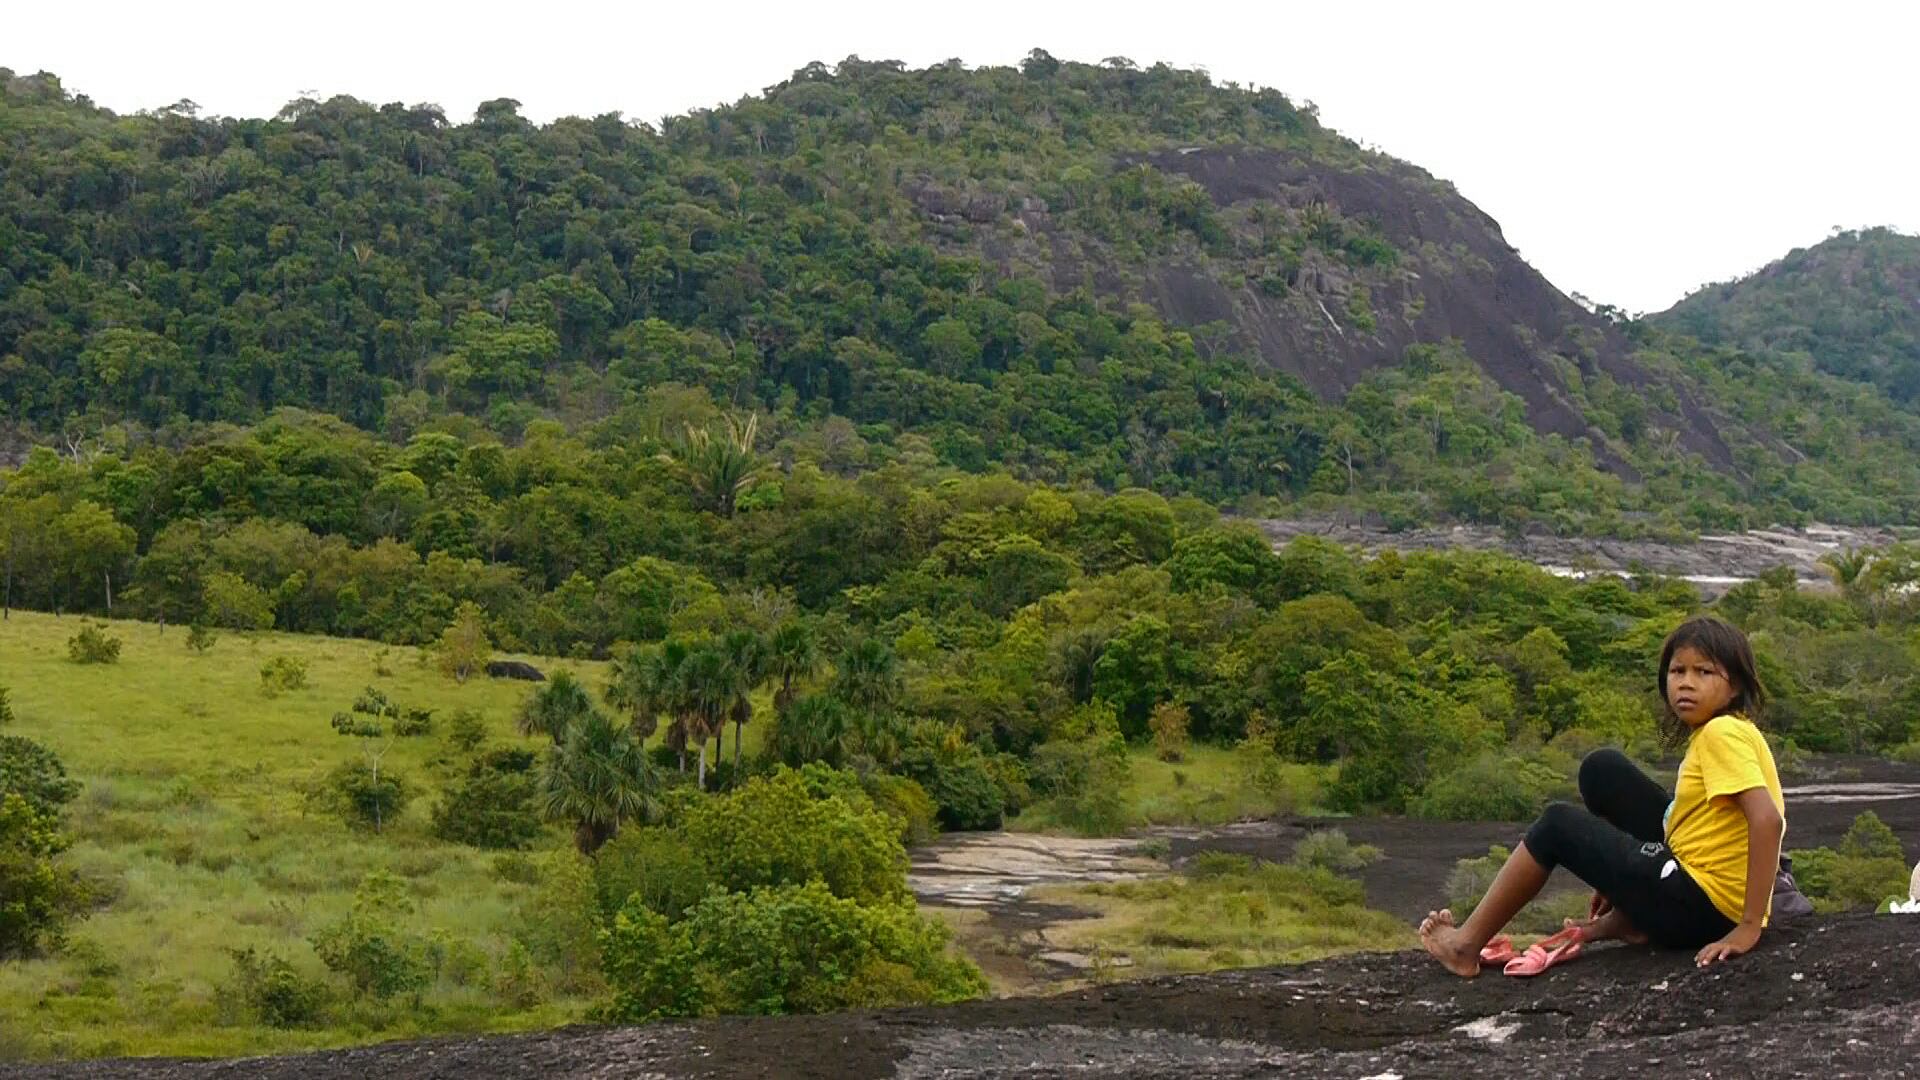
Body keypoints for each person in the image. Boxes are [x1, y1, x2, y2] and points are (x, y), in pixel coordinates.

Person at [1419, 616, 1787, 977]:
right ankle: (1632, 920)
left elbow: (1767, 819)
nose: (1686, 684)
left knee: (1557, 825)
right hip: (1698, 888)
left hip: (1705, 908)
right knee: (1602, 771)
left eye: (1703, 673)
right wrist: (1613, 878)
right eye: (1678, 672)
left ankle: (1464, 946)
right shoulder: (1733, 729)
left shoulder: (1721, 733)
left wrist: (1749, 925)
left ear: (1735, 685)